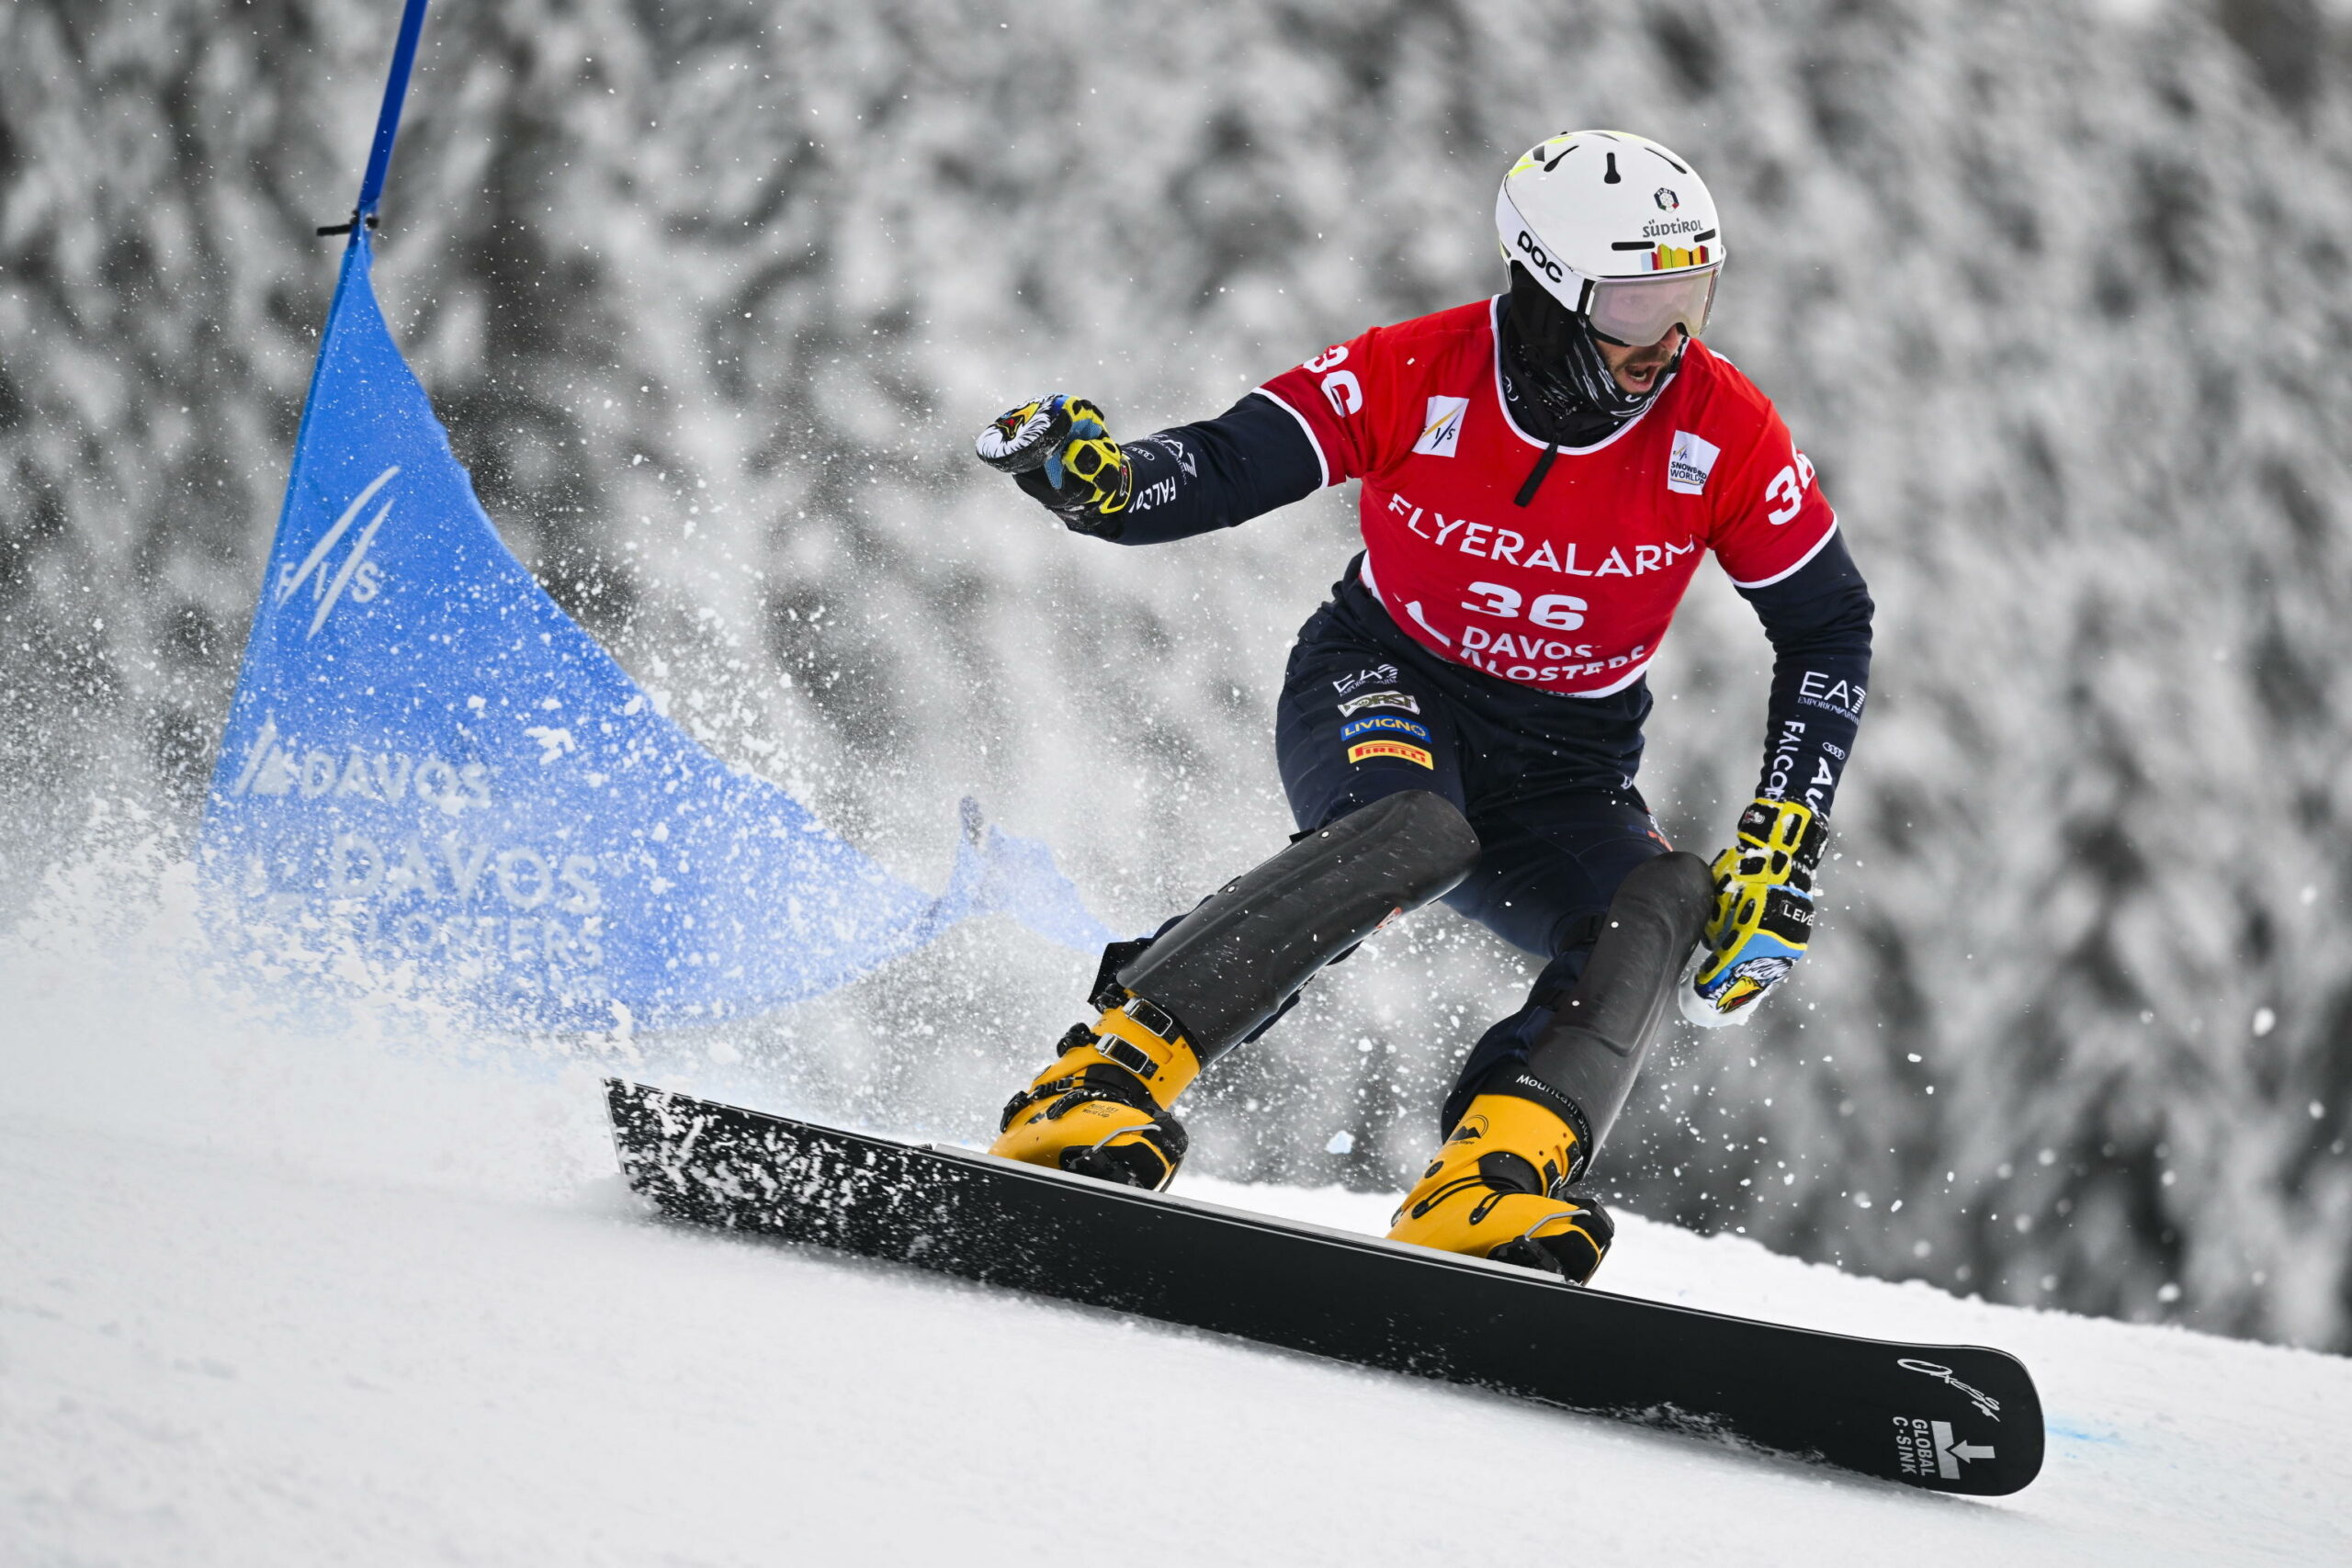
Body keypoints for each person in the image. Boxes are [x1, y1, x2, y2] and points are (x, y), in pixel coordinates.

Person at [971, 130, 1871, 1283]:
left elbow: (1827, 624)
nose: (1670, 339)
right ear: (1548, 290)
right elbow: (1233, 461)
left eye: (1691, 294)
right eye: (1641, 304)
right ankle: (1096, 1082)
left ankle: (1492, 1176)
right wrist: (1109, 485)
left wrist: (1783, 839)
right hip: (1385, 680)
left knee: (1661, 897)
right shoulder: (1421, 368)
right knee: (1414, 829)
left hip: (1568, 764)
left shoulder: (1722, 426)